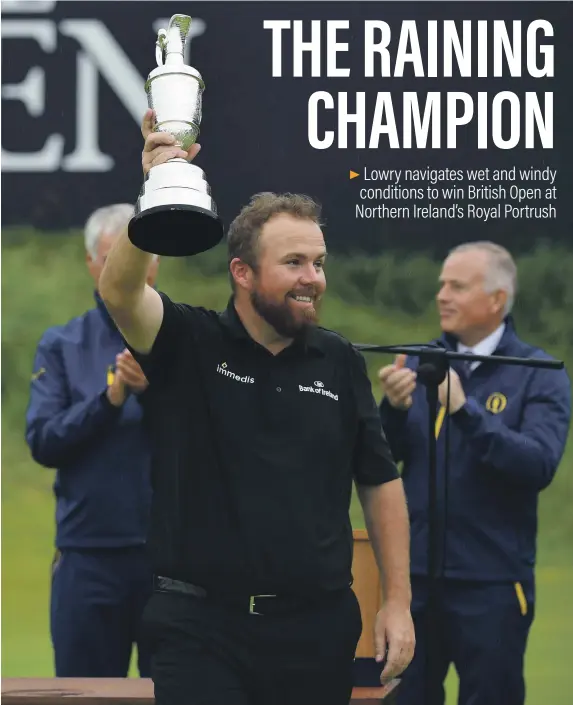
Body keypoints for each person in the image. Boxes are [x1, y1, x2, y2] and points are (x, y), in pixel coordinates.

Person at [96, 109, 415, 705]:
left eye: (318, 262)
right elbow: (119, 291)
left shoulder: (339, 361)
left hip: (316, 632)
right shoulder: (187, 342)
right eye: (294, 263)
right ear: (242, 271)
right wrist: (157, 194)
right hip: (200, 630)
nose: (313, 278)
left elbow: (379, 482)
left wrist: (397, 600)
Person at [378, 241, 571, 705]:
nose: (442, 294)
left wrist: (465, 411)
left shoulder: (538, 373)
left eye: (457, 286)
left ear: (497, 300)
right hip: (414, 585)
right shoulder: (416, 361)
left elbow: (537, 464)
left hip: (493, 588)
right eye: (442, 283)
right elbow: (383, 463)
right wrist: (393, 411)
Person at [25, 204, 159, 678]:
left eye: (136, 256)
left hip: (172, 562)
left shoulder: (187, 337)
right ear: (91, 264)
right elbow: (43, 440)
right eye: (111, 258)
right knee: (85, 694)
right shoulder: (63, 344)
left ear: (154, 262)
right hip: (88, 558)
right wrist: (110, 399)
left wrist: (156, 390)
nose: (124, 269)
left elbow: (214, 435)